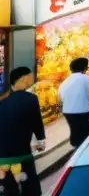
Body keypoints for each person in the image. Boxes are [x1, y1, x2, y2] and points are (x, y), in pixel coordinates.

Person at [0, 66, 46, 196]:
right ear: (24, 78)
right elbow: (37, 123)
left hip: (2, 161)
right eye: (31, 76)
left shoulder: (3, 102)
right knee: (31, 191)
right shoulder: (31, 98)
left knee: (8, 192)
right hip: (22, 158)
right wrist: (41, 140)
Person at [59, 57, 89, 148]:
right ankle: (87, 151)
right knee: (87, 132)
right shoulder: (85, 78)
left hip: (68, 112)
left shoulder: (64, 82)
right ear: (84, 68)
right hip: (83, 111)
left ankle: (76, 148)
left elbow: (61, 97)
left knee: (75, 131)